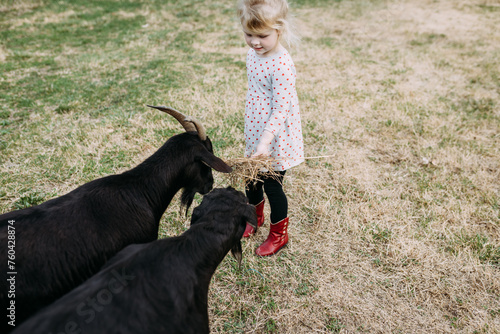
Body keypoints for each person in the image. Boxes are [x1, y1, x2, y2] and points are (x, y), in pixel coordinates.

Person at [237, 0, 304, 256]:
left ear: (280, 30)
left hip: (276, 138)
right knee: (251, 178)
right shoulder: (254, 54)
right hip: (257, 131)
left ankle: (279, 235)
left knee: (271, 185)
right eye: (249, 34)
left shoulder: (282, 65)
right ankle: (253, 218)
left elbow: (281, 109)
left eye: (262, 36)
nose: (255, 42)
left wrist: (265, 141)